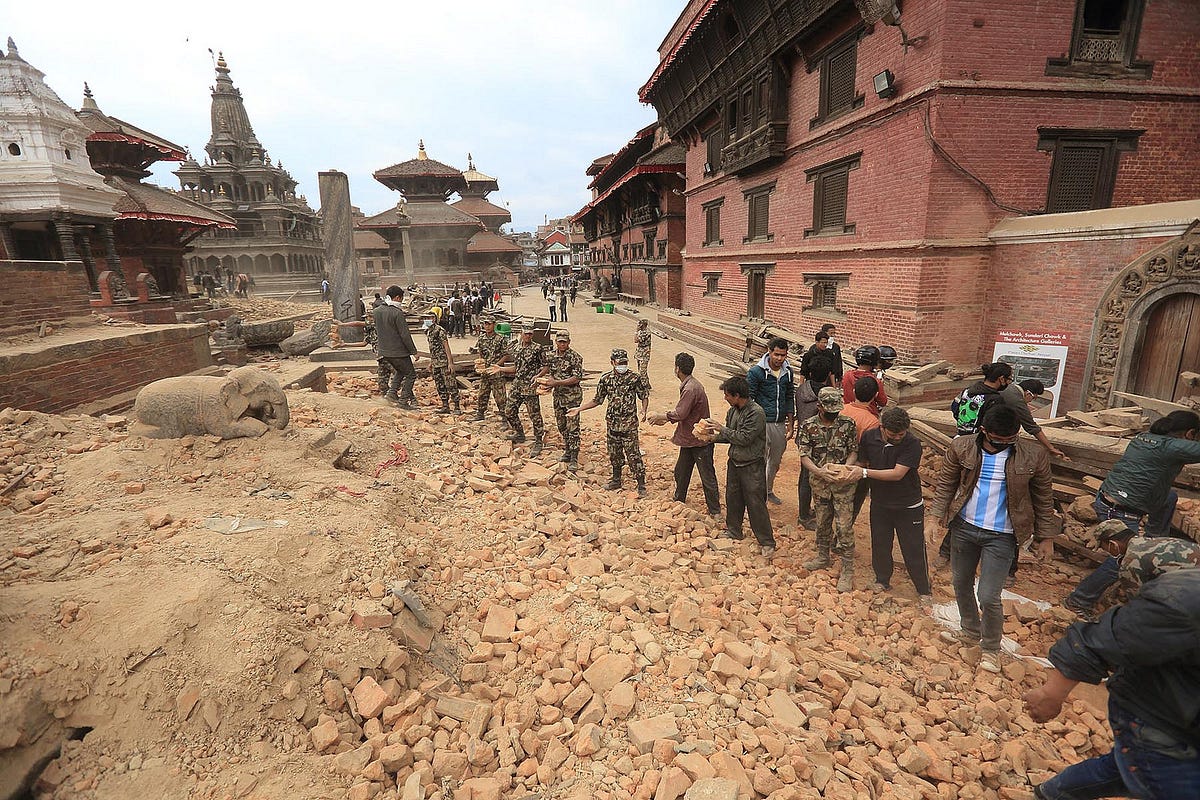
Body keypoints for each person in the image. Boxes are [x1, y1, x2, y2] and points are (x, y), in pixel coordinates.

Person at [1023, 569, 1200, 800]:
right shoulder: (1186, 600)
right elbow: (1096, 641)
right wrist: (1051, 694)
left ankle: (1052, 794)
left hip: (1185, 718)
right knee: (1158, 768)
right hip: (1156, 715)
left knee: (1127, 767)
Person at [929, 405, 1057, 673]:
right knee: (960, 582)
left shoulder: (1034, 456)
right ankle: (969, 630)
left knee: (988, 595)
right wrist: (933, 518)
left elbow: (1044, 499)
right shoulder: (962, 448)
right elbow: (946, 485)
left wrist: (1046, 537)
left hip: (1002, 535)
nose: (1003, 445)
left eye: (1010, 440)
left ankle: (990, 648)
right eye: (998, 440)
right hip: (964, 528)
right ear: (984, 431)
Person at [1064, 410, 1200, 620]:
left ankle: (1154, 541)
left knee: (1170, 496)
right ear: (1190, 434)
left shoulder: (1145, 437)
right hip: (1118, 509)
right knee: (1123, 558)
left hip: (1114, 497)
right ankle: (1079, 599)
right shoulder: (1171, 446)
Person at [859, 407, 932, 602]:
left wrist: (864, 474)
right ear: (882, 428)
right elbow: (863, 462)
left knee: (913, 548)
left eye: (902, 433)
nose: (899, 437)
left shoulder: (913, 443)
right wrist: (846, 470)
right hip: (880, 503)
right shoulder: (869, 438)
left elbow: (897, 473)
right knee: (880, 543)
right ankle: (882, 580)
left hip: (908, 505)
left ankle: (924, 590)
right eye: (894, 434)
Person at [796, 387, 860, 591]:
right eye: (829, 409)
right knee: (823, 523)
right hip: (820, 484)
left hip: (843, 487)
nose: (834, 413)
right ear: (819, 406)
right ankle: (823, 557)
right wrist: (820, 472)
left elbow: (853, 451)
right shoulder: (808, 426)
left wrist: (845, 468)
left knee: (844, 527)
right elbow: (804, 455)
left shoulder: (848, 424)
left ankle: (847, 570)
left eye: (836, 410)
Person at [708, 375, 777, 558]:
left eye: (728, 395)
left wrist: (720, 429)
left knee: (755, 503)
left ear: (737, 395)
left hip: (752, 465)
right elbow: (732, 436)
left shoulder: (756, 413)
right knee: (733, 498)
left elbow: (744, 438)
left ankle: (767, 541)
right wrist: (712, 438)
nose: (725, 398)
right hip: (735, 462)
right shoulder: (733, 411)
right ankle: (734, 530)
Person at [569, 348, 650, 497]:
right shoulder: (606, 379)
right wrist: (579, 409)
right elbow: (597, 400)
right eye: (620, 363)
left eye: (625, 363)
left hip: (629, 424)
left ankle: (641, 484)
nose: (623, 366)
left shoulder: (634, 378)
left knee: (633, 455)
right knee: (615, 454)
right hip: (612, 424)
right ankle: (616, 479)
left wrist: (644, 410)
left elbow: (643, 396)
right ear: (612, 362)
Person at [648, 352, 720, 517]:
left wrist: (662, 416)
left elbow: (681, 413)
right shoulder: (692, 385)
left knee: (707, 475)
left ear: (677, 369)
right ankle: (679, 499)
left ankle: (715, 511)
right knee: (681, 470)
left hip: (699, 439)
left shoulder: (690, 388)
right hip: (690, 437)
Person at [746, 337, 795, 505]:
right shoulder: (756, 372)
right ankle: (757, 495)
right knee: (760, 460)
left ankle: (768, 490)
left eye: (783, 355)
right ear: (769, 351)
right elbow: (749, 399)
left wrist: (790, 422)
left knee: (775, 460)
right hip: (761, 423)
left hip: (779, 423)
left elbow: (789, 397)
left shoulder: (788, 372)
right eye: (776, 355)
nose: (779, 359)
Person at [794, 351, 838, 529]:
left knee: (804, 476)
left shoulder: (801, 390)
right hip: (820, 442)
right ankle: (804, 516)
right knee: (812, 479)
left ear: (810, 373)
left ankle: (804, 511)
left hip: (802, 438)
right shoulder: (828, 396)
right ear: (828, 375)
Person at [501, 322, 549, 456]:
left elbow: (546, 366)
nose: (528, 336)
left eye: (530, 334)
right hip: (517, 385)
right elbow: (516, 368)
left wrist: (538, 376)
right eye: (526, 333)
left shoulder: (537, 348)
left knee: (534, 415)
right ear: (521, 333)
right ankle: (519, 433)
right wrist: (500, 369)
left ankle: (538, 441)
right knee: (509, 411)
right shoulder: (516, 348)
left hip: (530, 386)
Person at [374, 285, 418, 409]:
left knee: (400, 371)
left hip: (383, 350)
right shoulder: (397, 313)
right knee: (411, 375)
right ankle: (403, 401)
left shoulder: (377, 311)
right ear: (398, 297)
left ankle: (391, 394)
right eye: (401, 298)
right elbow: (405, 335)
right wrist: (413, 351)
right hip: (398, 351)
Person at [546, 330, 584, 469]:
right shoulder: (551, 356)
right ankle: (567, 450)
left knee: (573, 428)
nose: (562, 344)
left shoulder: (575, 357)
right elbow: (549, 371)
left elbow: (576, 378)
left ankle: (574, 456)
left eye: (564, 342)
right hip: (558, 397)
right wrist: (546, 381)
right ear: (556, 342)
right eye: (560, 341)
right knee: (562, 426)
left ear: (569, 342)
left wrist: (557, 383)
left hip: (572, 397)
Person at [421, 310, 459, 415]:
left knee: (450, 384)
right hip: (435, 362)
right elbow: (432, 349)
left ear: (434, 319)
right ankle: (445, 405)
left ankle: (457, 406)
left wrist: (450, 363)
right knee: (440, 385)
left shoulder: (439, 330)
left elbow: (446, 346)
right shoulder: (428, 331)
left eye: (429, 318)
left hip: (443, 362)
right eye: (425, 318)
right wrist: (431, 362)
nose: (427, 320)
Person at [474, 317, 510, 423]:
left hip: (496, 373)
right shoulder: (481, 338)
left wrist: (496, 366)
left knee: (500, 397)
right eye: (485, 324)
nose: (487, 326)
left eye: (489, 324)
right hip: (485, 372)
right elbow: (480, 352)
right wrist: (480, 364)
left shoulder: (500, 339)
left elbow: (506, 355)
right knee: (482, 394)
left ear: (494, 325)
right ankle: (480, 413)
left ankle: (505, 417)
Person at [841, 346, 887, 415]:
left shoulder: (847, 375)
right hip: (868, 415)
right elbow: (883, 402)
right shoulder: (875, 381)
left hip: (848, 413)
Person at [634, 318, 652, 390]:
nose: (638, 325)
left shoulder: (646, 332)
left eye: (639, 324)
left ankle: (644, 387)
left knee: (642, 371)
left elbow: (635, 340)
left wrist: (636, 331)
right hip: (640, 353)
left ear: (643, 325)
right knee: (640, 370)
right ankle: (647, 384)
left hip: (644, 354)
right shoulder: (642, 331)